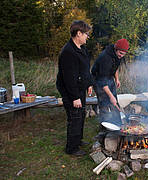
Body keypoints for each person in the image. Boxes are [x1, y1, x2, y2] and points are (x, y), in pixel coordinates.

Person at [56, 20, 93, 156]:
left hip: (80, 88)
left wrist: (89, 83)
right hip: (70, 91)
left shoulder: (81, 48)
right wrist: (75, 97)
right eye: (86, 34)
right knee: (75, 117)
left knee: (81, 114)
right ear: (78, 33)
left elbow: (85, 69)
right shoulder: (68, 52)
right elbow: (68, 78)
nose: (87, 36)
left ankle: (78, 140)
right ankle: (72, 148)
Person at [91, 39, 129, 136]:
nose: (121, 55)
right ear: (116, 49)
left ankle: (118, 125)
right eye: (120, 53)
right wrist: (110, 96)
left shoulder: (118, 55)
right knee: (104, 103)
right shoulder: (105, 58)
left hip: (109, 78)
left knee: (114, 102)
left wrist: (117, 79)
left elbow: (115, 67)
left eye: (123, 54)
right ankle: (104, 128)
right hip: (98, 79)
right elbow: (103, 82)